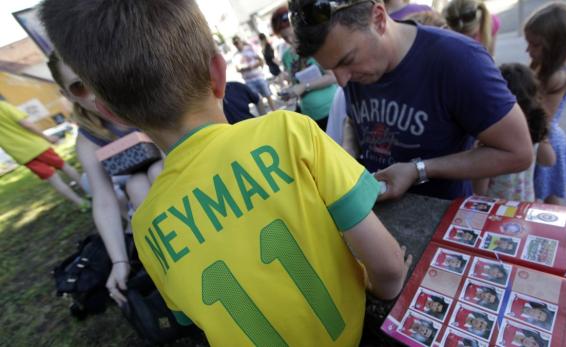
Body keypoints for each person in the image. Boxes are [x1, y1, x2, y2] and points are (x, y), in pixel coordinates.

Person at [41, 1, 411, 345]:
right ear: (219, 72)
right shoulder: (288, 132)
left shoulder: (148, 226)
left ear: (112, 113)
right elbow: (389, 266)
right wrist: (383, 290)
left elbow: (192, 319)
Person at [290, 0, 533, 201]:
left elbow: (518, 152)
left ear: (378, 18)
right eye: (332, 69)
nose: (342, 81)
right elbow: (355, 121)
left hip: (441, 220)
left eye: (347, 60)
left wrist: (419, 170)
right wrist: (350, 150)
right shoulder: (357, 70)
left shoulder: (458, 60)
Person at [47, 52, 164, 305]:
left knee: (152, 174)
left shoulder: (146, 99)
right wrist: (119, 261)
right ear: (67, 95)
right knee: (136, 184)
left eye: (95, 76)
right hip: (146, 195)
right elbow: (103, 200)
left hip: (189, 175)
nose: (94, 91)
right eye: (79, 86)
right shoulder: (88, 139)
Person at [473, 63, 556, 201]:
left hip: (496, 209)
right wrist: (542, 136)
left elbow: (480, 190)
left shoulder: (492, 139)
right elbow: (549, 160)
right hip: (524, 204)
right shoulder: (533, 133)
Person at [525, 2, 566, 205]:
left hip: (545, 140)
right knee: (544, 195)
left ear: (556, 44)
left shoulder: (556, 76)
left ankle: (557, 233)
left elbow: (542, 118)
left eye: (535, 44)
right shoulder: (548, 65)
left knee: (548, 197)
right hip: (541, 137)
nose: (528, 49)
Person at [0, 100, 89, 210]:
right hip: (36, 146)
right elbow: (26, 124)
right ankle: (90, 192)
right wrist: (47, 137)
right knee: (64, 167)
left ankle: (81, 204)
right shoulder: (3, 106)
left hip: (21, 155)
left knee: (52, 179)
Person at [271, 6, 338, 130]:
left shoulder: (314, 44)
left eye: (292, 35)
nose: (290, 40)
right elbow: (295, 83)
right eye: (285, 38)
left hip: (332, 108)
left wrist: (304, 86)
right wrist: (290, 91)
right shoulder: (286, 56)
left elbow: (333, 77)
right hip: (310, 116)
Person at [231, 36, 277, 111]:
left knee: (268, 95)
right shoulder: (235, 56)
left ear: (240, 41)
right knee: (257, 100)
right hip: (248, 81)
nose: (237, 44)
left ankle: (275, 112)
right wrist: (244, 68)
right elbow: (237, 69)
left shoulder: (249, 49)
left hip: (259, 77)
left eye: (237, 42)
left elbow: (261, 60)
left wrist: (255, 66)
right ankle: (263, 117)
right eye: (235, 43)